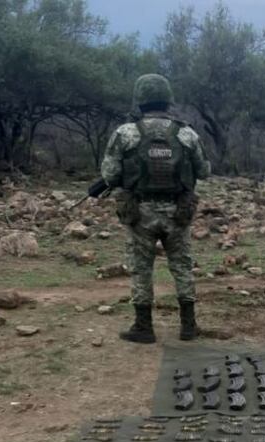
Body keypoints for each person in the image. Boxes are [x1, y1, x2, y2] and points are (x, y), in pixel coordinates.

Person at [100, 73, 211, 344]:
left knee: (141, 268)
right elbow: (204, 171)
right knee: (182, 266)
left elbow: (110, 174)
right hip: (178, 211)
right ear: (168, 100)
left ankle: (143, 326)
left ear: (140, 100)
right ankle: (188, 326)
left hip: (139, 212)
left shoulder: (125, 133)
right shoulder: (186, 133)